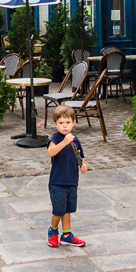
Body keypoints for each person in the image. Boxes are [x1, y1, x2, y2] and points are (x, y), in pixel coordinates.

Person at [46, 104, 87, 248]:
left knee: (67, 210)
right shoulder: (55, 138)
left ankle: (67, 235)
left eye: (68, 122)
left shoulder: (75, 140)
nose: (65, 126)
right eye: (61, 123)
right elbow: (51, 152)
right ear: (55, 124)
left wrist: (82, 166)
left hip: (71, 181)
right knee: (58, 210)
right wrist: (64, 142)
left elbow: (78, 158)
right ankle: (53, 232)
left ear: (73, 123)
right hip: (57, 182)